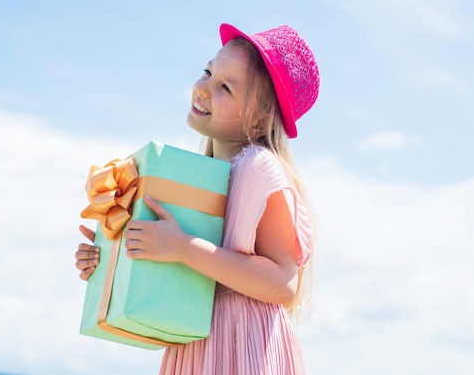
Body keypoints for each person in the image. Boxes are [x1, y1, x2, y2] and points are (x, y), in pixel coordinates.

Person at [75, 22, 319, 375]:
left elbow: (283, 282)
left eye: (225, 88)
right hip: (197, 346)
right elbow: (186, 277)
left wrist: (184, 247)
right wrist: (110, 260)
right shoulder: (199, 178)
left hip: (244, 348)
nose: (203, 88)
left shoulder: (257, 168)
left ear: (262, 114)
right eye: (207, 71)